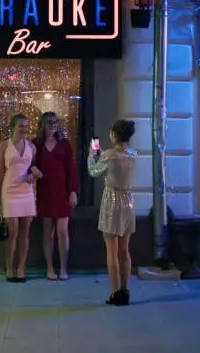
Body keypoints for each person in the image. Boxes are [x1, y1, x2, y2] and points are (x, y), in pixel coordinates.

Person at [87, 119, 137, 306]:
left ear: (114, 135)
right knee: (124, 251)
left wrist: (92, 155)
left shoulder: (109, 155)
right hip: (128, 201)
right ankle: (126, 290)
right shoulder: (133, 154)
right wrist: (102, 154)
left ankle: (115, 293)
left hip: (112, 201)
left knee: (112, 251)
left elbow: (94, 171)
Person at [0, 114, 43, 283]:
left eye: (26, 126)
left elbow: (33, 167)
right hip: (9, 190)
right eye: (21, 126)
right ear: (13, 127)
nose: (24, 129)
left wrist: (33, 174)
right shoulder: (4, 146)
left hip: (26, 191)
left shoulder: (31, 147)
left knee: (25, 232)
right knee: (12, 231)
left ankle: (21, 267)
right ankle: (9, 266)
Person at [33, 112, 79, 281]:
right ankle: (50, 268)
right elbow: (27, 163)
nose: (52, 125)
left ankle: (64, 268)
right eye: (49, 122)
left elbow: (71, 169)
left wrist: (73, 191)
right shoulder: (36, 144)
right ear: (42, 124)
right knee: (47, 231)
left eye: (54, 122)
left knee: (62, 230)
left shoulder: (64, 143)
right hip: (45, 190)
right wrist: (33, 169)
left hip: (62, 191)